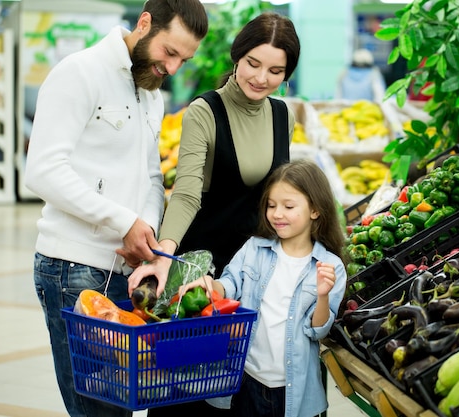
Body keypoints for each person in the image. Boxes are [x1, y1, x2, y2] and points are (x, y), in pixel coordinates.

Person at [23, 1, 208, 416]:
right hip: (73, 269)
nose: (174, 68)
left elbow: (151, 177)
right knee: (98, 411)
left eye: (184, 59)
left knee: (119, 408)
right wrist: (123, 221)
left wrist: (144, 230)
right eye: (169, 52)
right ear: (145, 24)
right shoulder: (80, 73)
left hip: (122, 272)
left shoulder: (150, 94)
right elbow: (42, 170)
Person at [128, 11, 301, 416]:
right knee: (189, 393)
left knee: (243, 391)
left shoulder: (282, 115)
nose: (261, 78)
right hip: (202, 269)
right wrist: (162, 256)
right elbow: (186, 193)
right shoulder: (205, 111)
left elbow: (277, 196)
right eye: (253, 64)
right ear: (238, 56)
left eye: (276, 71)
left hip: (253, 272)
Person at [182, 159, 348, 417]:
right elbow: (230, 283)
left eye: (288, 206)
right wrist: (209, 285)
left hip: (292, 392)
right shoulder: (254, 248)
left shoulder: (330, 266)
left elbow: (317, 331)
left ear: (315, 210)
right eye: (271, 205)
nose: (277, 214)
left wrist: (323, 295)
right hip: (245, 380)